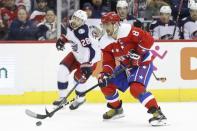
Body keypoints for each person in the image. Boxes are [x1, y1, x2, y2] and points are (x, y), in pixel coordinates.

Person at [97, 12, 167, 126]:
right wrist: (105, 73)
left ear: (115, 24)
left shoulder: (128, 30)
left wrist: (139, 52)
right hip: (126, 66)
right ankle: (116, 109)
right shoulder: (104, 41)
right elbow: (108, 62)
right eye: (104, 25)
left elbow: (148, 39)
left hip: (142, 63)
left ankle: (158, 114)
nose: (105, 28)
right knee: (105, 83)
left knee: (136, 89)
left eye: (107, 24)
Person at [53, 10, 97, 110]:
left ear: (83, 22)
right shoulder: (70, 25)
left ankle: (81, 100)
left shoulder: (83, 33)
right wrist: (62, 40)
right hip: (75, 55)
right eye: (75, 18)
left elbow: (90, 50)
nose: (75, 21)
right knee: (62, 70)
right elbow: (69, 35)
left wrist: (87, 64)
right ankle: (62, 97)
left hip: (88, 60)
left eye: (79, 20)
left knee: (77, 80)